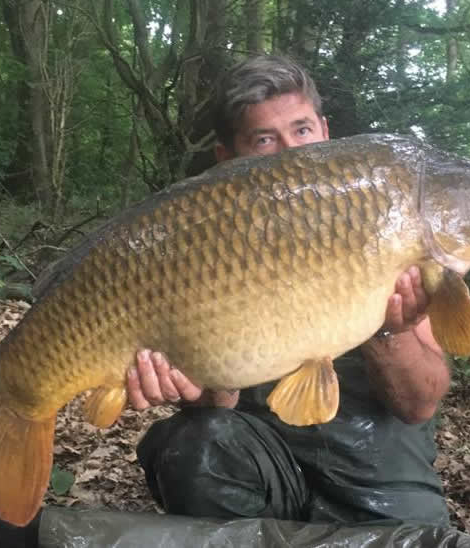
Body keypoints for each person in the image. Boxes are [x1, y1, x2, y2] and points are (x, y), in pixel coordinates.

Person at [126, 55, 451, 526]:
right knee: (193, 446)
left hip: (380, 477)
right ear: (227, 159)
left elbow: (418, 403)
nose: (291, 152)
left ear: (324, 131)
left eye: (301, 131)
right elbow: (215, 407)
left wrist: (390, 329)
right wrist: (182, 381)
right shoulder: (201, 243)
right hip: (266, 461)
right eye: (264, 139)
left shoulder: (392, 220)